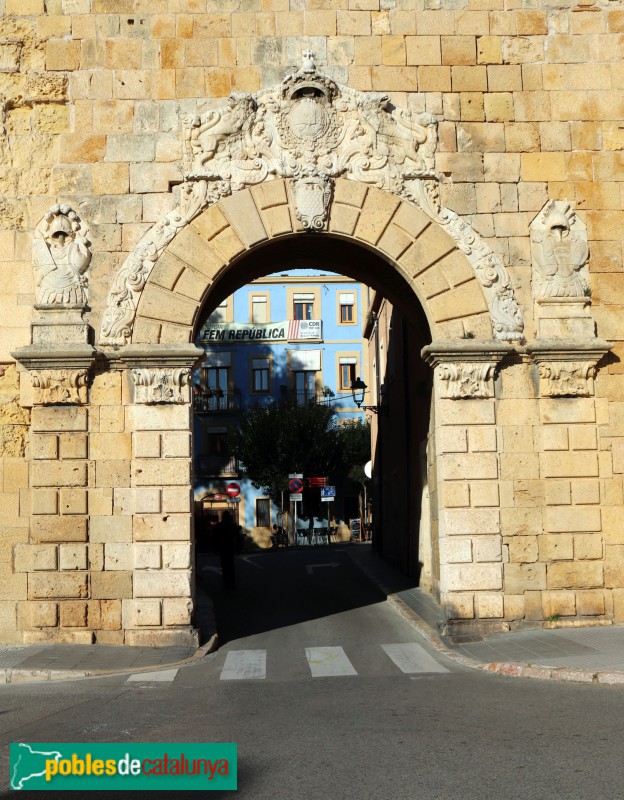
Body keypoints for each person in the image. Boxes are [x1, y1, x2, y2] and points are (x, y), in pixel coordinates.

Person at [215, 511, 238, 590]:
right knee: (231, 566)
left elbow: (215, 537)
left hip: (222, 548)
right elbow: (236, 535)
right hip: (230, 547)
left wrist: (216, 548)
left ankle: (226, 583)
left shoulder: (219, 525)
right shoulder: (232, 525)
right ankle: (232, 583)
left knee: (224, 567)